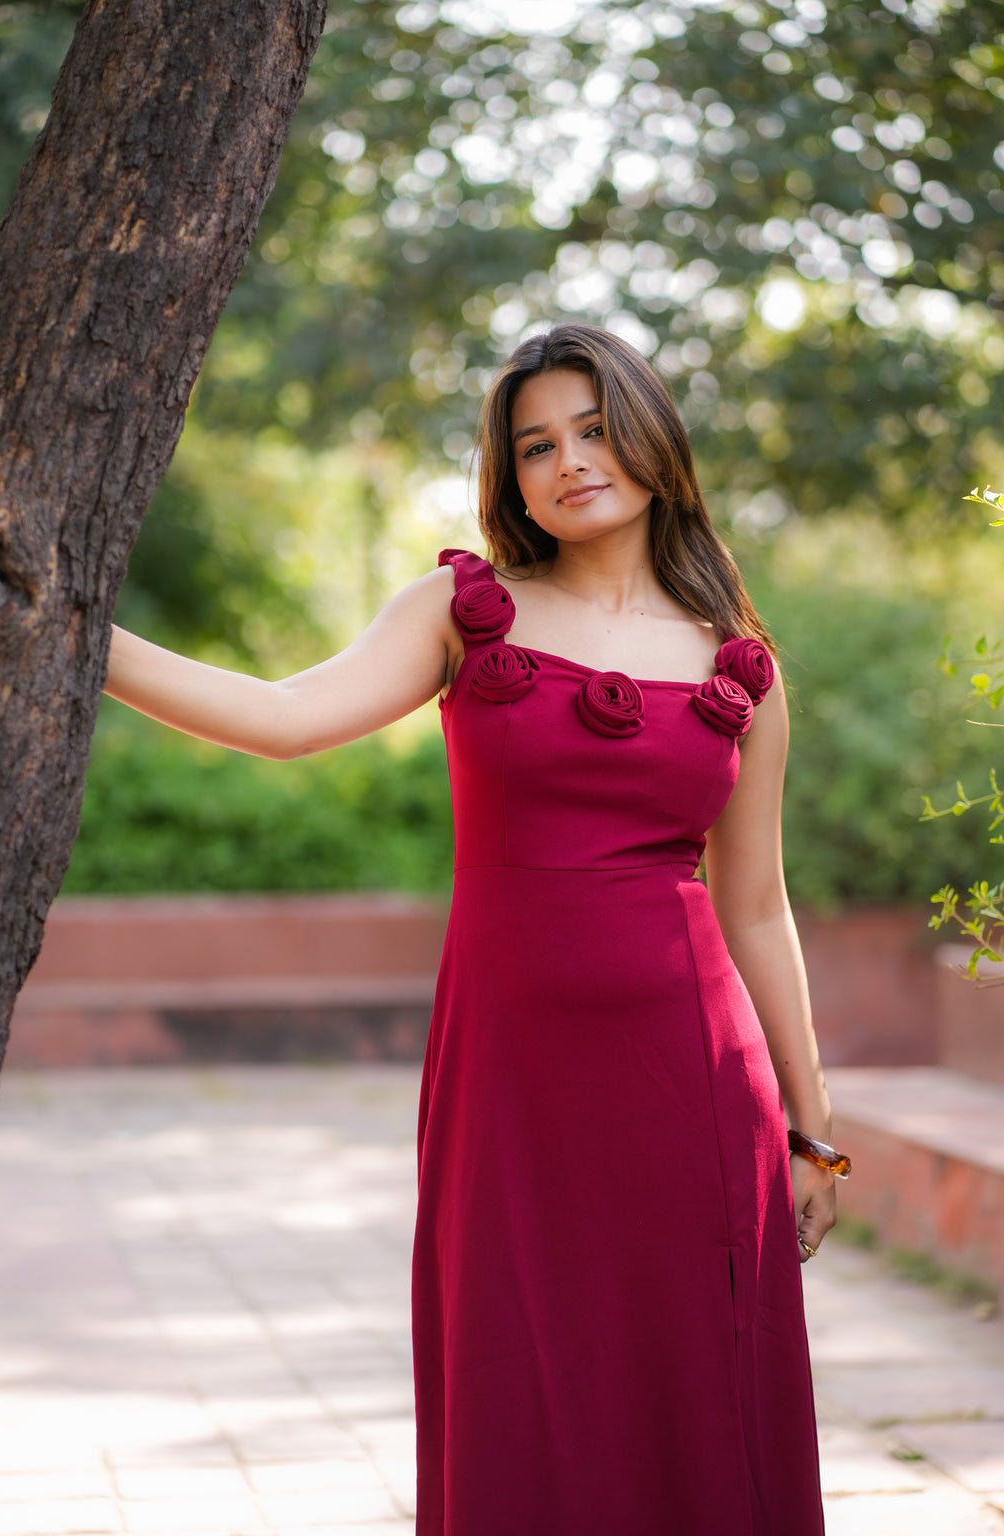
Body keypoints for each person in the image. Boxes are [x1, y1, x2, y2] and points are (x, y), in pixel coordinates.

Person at [106, 322, 845, 1535]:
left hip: (692, 1087)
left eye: (596, 431)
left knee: (695, 1390)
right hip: (510, 1081)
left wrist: (811, 1132)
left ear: (653, 437)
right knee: (518, 1374)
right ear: (510, 475)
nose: (570, 462)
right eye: (536, 444)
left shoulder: (739, 673)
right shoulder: (463, 612)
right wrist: (82, 629)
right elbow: (282, 718)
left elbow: (756, 907)